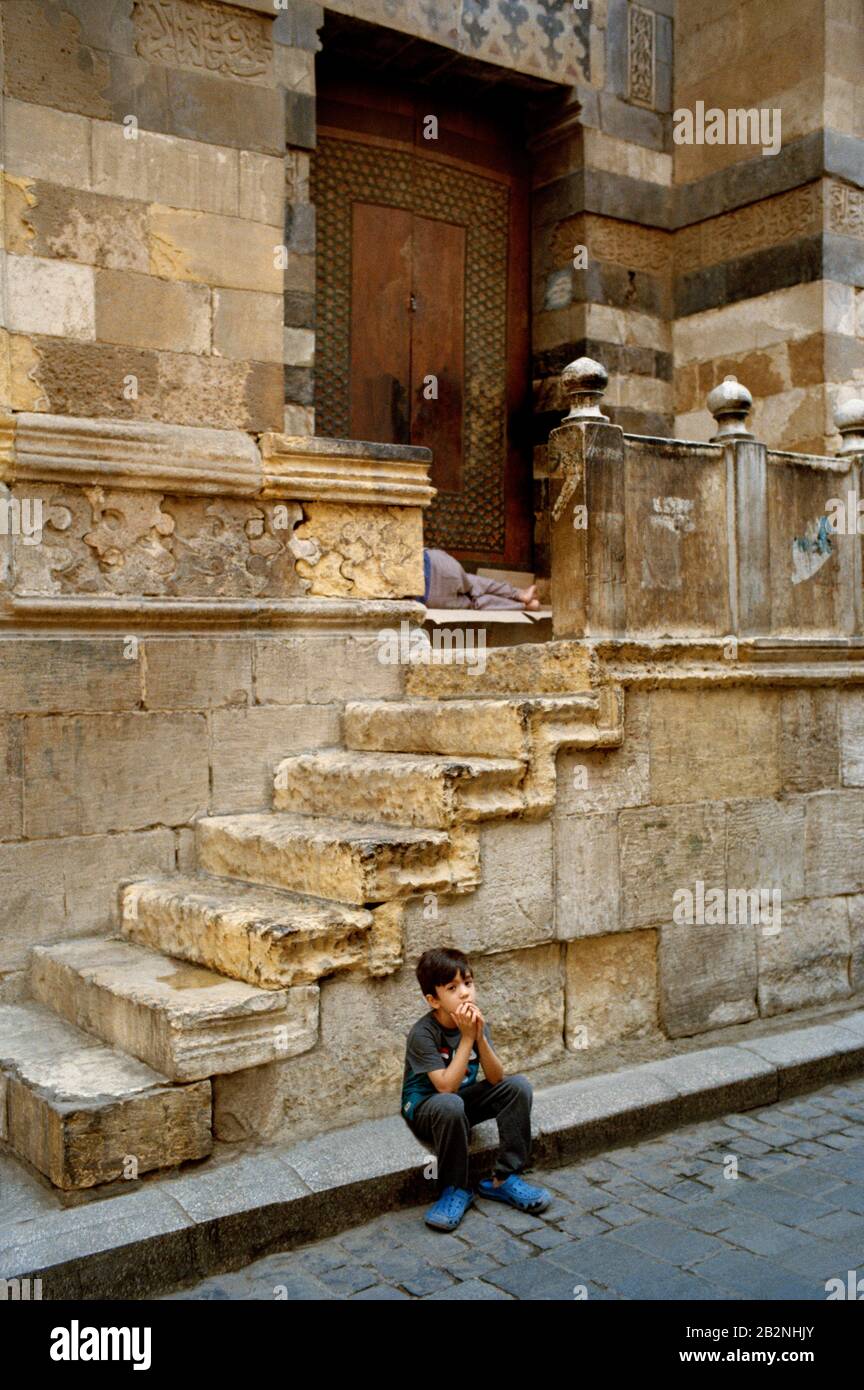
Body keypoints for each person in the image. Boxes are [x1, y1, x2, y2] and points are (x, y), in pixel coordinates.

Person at [400, 946, 552, 1231]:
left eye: (468, 983)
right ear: (433, 1000)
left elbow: (496, 1078)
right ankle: (455, 1189)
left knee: (517, 1087)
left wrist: (479, 1038)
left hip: (457, 1104)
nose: (465, 993)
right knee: (450, 1104)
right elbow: (444, 1087)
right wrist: (468, 1039)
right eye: (452, 988)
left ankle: (504, 1178)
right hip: (426, 1109)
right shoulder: (423, 1033)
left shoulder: (475, 1024)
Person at [415, 547, 541, 610]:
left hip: (431, 598)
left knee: (474, 604)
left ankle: (523, 606)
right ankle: (519, 594)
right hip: (436, 566)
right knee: (473, 583)